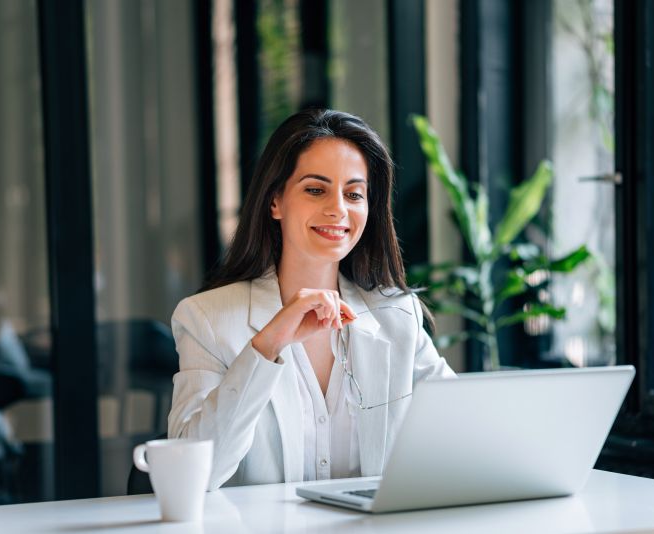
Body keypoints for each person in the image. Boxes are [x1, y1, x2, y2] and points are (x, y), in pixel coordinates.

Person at [167, 109, 455, 490]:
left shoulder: (397, 316)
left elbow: (462, 432)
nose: (338, 208)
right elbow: (191, 477)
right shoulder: (206, 319)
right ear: (276, 201)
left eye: (354, 194)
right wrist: (266, 347)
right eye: (316, 189)